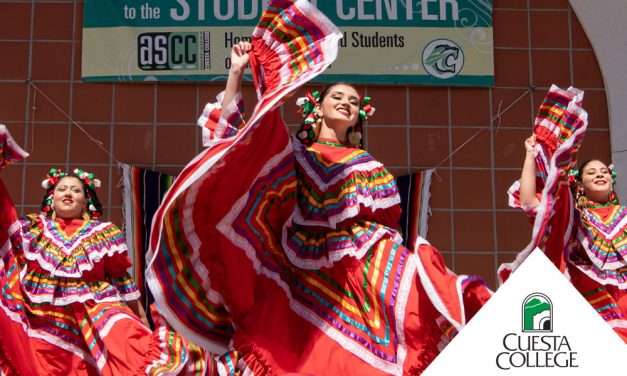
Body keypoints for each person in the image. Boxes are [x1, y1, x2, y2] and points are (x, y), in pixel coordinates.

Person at [145, 1, 491, 375]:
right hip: (301, 266)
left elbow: (386, 226)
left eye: (354, 101)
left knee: (417, 305)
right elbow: (234, 141)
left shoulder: (367, 164)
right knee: (307, 355)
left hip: (362, 263)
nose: (346, 103)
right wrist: (237, 73)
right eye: (338, 97)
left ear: (359, 115)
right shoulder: (295, 154)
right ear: (317, 107)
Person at [0, 126, 206, 375]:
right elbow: (6, 230)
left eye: (76, 190)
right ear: (51, 199)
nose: (68, 193)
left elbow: (123, 282)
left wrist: (141, 321)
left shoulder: (103, 233)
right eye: (62, 189)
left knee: (133, 350)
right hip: (43, 316)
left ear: (86, 200)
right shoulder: (32, 228)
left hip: (96, 312)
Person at [499, 85, 627, 342]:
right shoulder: (574, 213)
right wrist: (529, 156)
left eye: (603, 172)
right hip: (588, 296)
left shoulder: (624, 217)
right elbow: (532, 203)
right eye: (591, 172)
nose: (599, 174)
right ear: (580, 185)